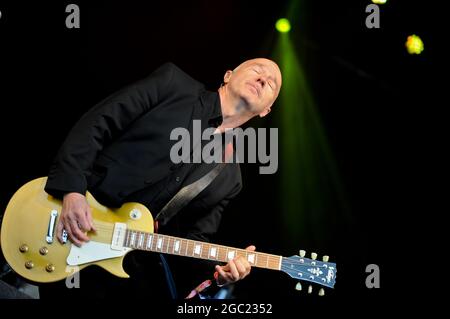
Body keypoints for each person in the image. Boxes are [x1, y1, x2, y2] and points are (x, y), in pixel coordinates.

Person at [40, 58, 282, 299]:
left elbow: (194, 239)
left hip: (115, 264)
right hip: (63, 213)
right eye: (257, 70)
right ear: (228, 75)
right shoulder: (174, 85)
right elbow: (99, 122)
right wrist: (72, 190)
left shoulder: (230, 177)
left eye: (271, 84)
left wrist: (220, 273)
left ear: (265, 111)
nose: (262, 79)